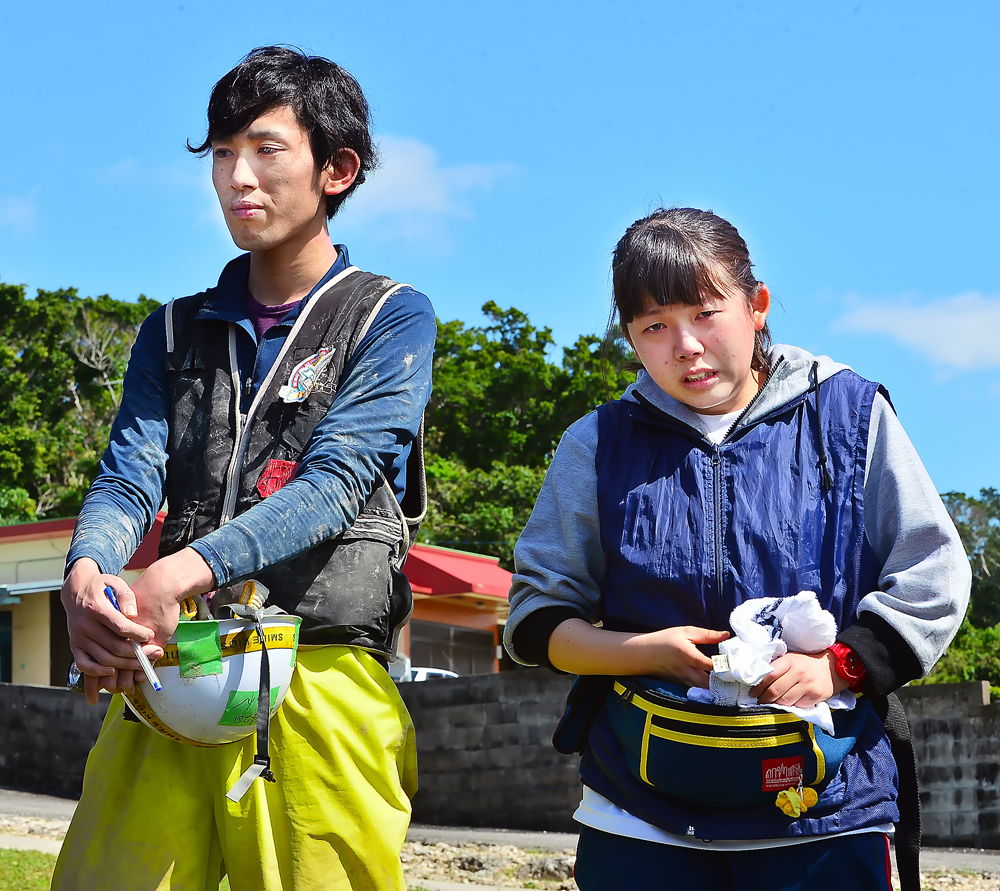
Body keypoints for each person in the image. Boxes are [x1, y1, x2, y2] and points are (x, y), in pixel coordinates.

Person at [52, 46, 435, 891]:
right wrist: (87, 580)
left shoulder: (389, 315)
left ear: (338, 169)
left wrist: (175, 570)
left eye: (266, 149)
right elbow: (127, 476)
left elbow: (334, 484)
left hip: (321, 667)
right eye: (222, 154)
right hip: (173, 660)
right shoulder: (172, 329)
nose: (237, 177)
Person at [503, 207, 971, 891]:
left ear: (757, 305)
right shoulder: (596, 445)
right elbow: (538, 618)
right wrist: (651, 651)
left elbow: (933, 571)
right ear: (630, 339)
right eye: (654, 326)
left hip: (825, 806)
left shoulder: (849, 414)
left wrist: (841, 665)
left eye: (705, 312)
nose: (685, 345)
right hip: (639, 807)